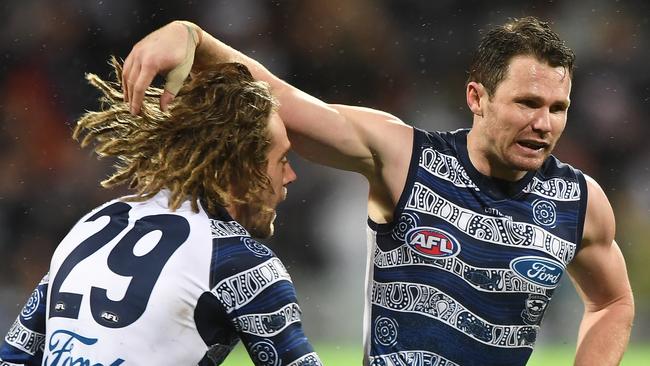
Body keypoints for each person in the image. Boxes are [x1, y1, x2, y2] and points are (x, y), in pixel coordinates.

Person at [120, 17, 635, 366]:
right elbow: (282, 99)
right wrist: (193, 37)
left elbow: (613, 300)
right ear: (476, 97)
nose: (544, 124)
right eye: (527, 102)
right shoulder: (404, 159)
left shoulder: (579, 201)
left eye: (558, 108)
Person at [0, 59, 324, 366]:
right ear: (240, 168)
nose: (290, 176)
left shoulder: (94, 224)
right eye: (281, 160)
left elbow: (13, 356)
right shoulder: (239, 261)